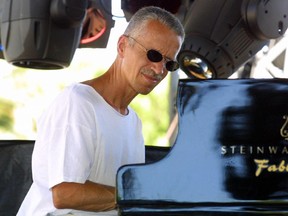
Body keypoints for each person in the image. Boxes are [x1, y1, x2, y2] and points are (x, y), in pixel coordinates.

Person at [17, 5, 185, 216]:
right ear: (123, 46)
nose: (160, 69)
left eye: (169, 64)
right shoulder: (78, 103)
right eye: (153, 55)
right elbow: (65, 194)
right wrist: (139, 195)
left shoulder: (134, 123)